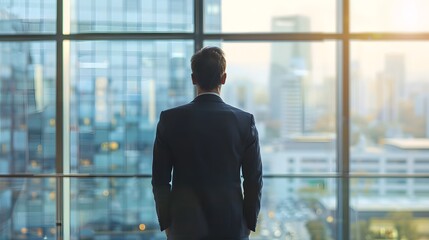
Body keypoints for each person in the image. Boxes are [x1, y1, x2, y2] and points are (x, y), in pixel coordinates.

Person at [152, 46, 262, 240]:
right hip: (231, 227)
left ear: (193, 79)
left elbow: (160, 181)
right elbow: (253, 181)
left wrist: (168, 225)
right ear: (224, 78)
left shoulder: (169, 120)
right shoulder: (244, 122)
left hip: (183, 227)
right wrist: (247, 225)